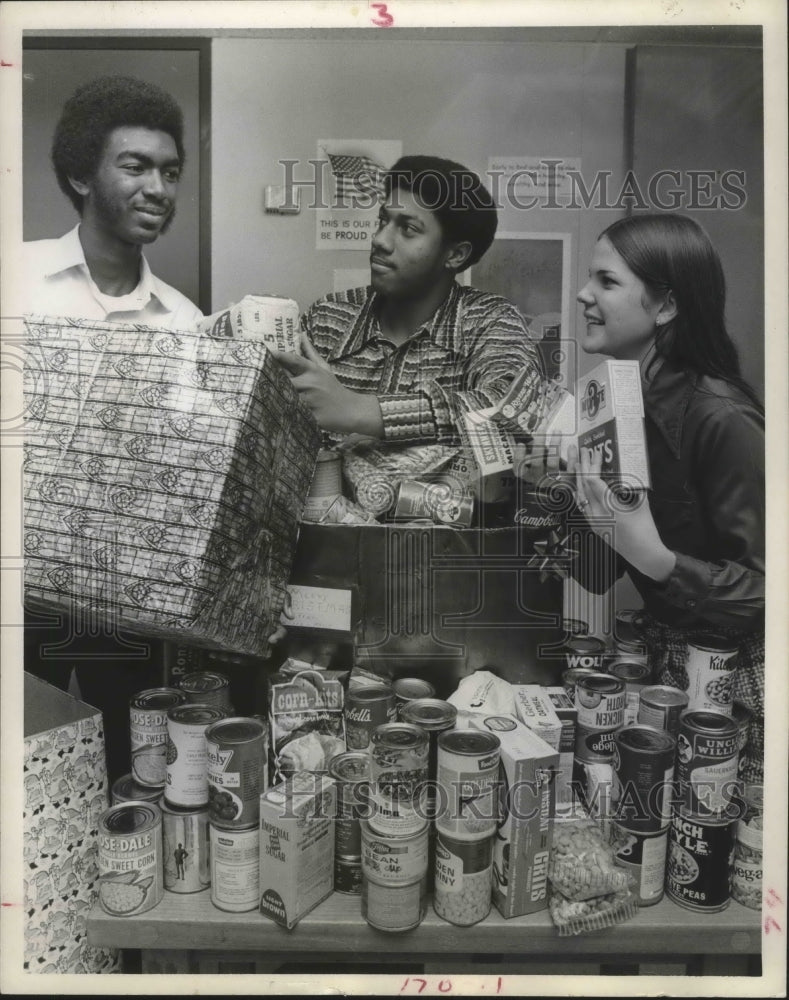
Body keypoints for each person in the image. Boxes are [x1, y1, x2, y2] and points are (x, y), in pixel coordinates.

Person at [560, 213, 764, 781]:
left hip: (739, 687)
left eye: (606, 281)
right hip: (662, 665)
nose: (583, 294)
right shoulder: (618, 408)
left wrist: (658, 560)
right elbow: (596, 573)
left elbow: (771, 591)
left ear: (667, 306)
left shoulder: (723, 418)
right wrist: (565, 490)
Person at [272, 155, 542, 450]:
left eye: (408, 229)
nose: (380, 240)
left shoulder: (488, 321)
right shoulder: (328, 318)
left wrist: (360, 410)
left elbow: (513, 409)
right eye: (383, 221)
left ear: (455, 255)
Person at [22, 74, 202, 328]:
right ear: (80, 177)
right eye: (135, 168)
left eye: (170, 174)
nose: (159, 189)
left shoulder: (184, 320)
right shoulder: (15, 270)